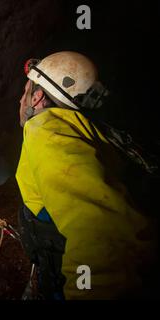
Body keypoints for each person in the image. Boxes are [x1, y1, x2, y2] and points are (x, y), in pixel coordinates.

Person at [15, 51, 156, 299]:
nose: (20, 99)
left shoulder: (46, 131)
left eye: (26, 91)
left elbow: (101, 233)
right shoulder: (83, 127)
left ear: (37, 98)